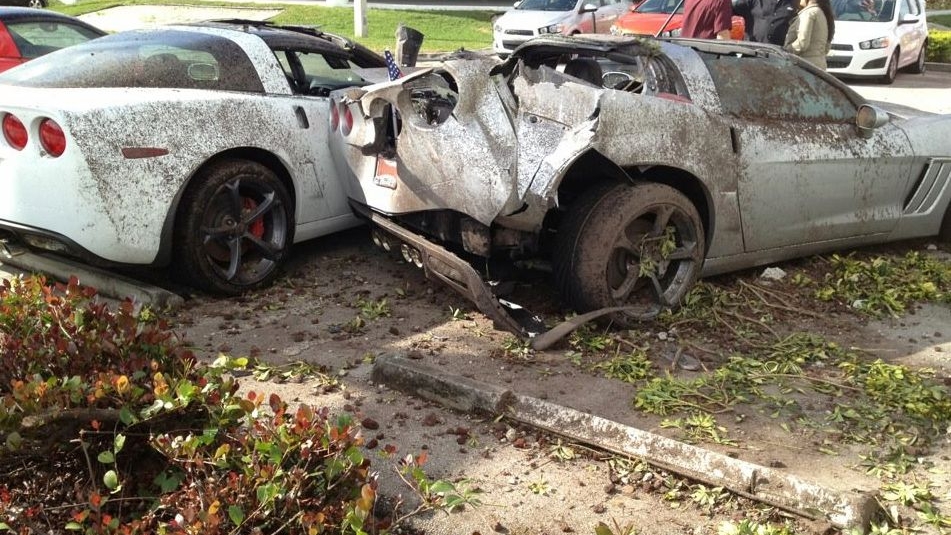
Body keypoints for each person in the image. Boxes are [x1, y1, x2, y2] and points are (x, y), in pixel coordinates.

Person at [783, 0, 835, 68]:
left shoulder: (808, 13)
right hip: (819, 65)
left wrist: (785, 50)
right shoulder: (822, 13)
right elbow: (827, 47)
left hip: (804, 66)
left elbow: (802, 43)